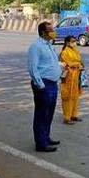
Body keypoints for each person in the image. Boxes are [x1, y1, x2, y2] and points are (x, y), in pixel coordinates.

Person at [28, 22, 62, 152]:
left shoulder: (49, 46)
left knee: (49, 113)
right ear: (43, 32)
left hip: (53, 83)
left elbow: (51, 63)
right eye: (50, 30)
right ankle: (40, 142)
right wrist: (40, 85)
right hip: (44, 83)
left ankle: (46, 137)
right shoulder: (36, 47)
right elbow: (33, 67)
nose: (53, 32)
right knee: (41, 114)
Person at [59, 36, 83, 125]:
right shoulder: (64, 52)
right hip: (68, 78)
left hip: (76, 77)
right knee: (67, 97)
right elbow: (67, 64)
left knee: (75, 97)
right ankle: (67, 117)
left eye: (74, 41)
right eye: (72, 41)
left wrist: (79, 66)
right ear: (67, 42)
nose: (74, 43)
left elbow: (79, 61)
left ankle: (74, 115)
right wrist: (77, 64)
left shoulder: (75, 51)